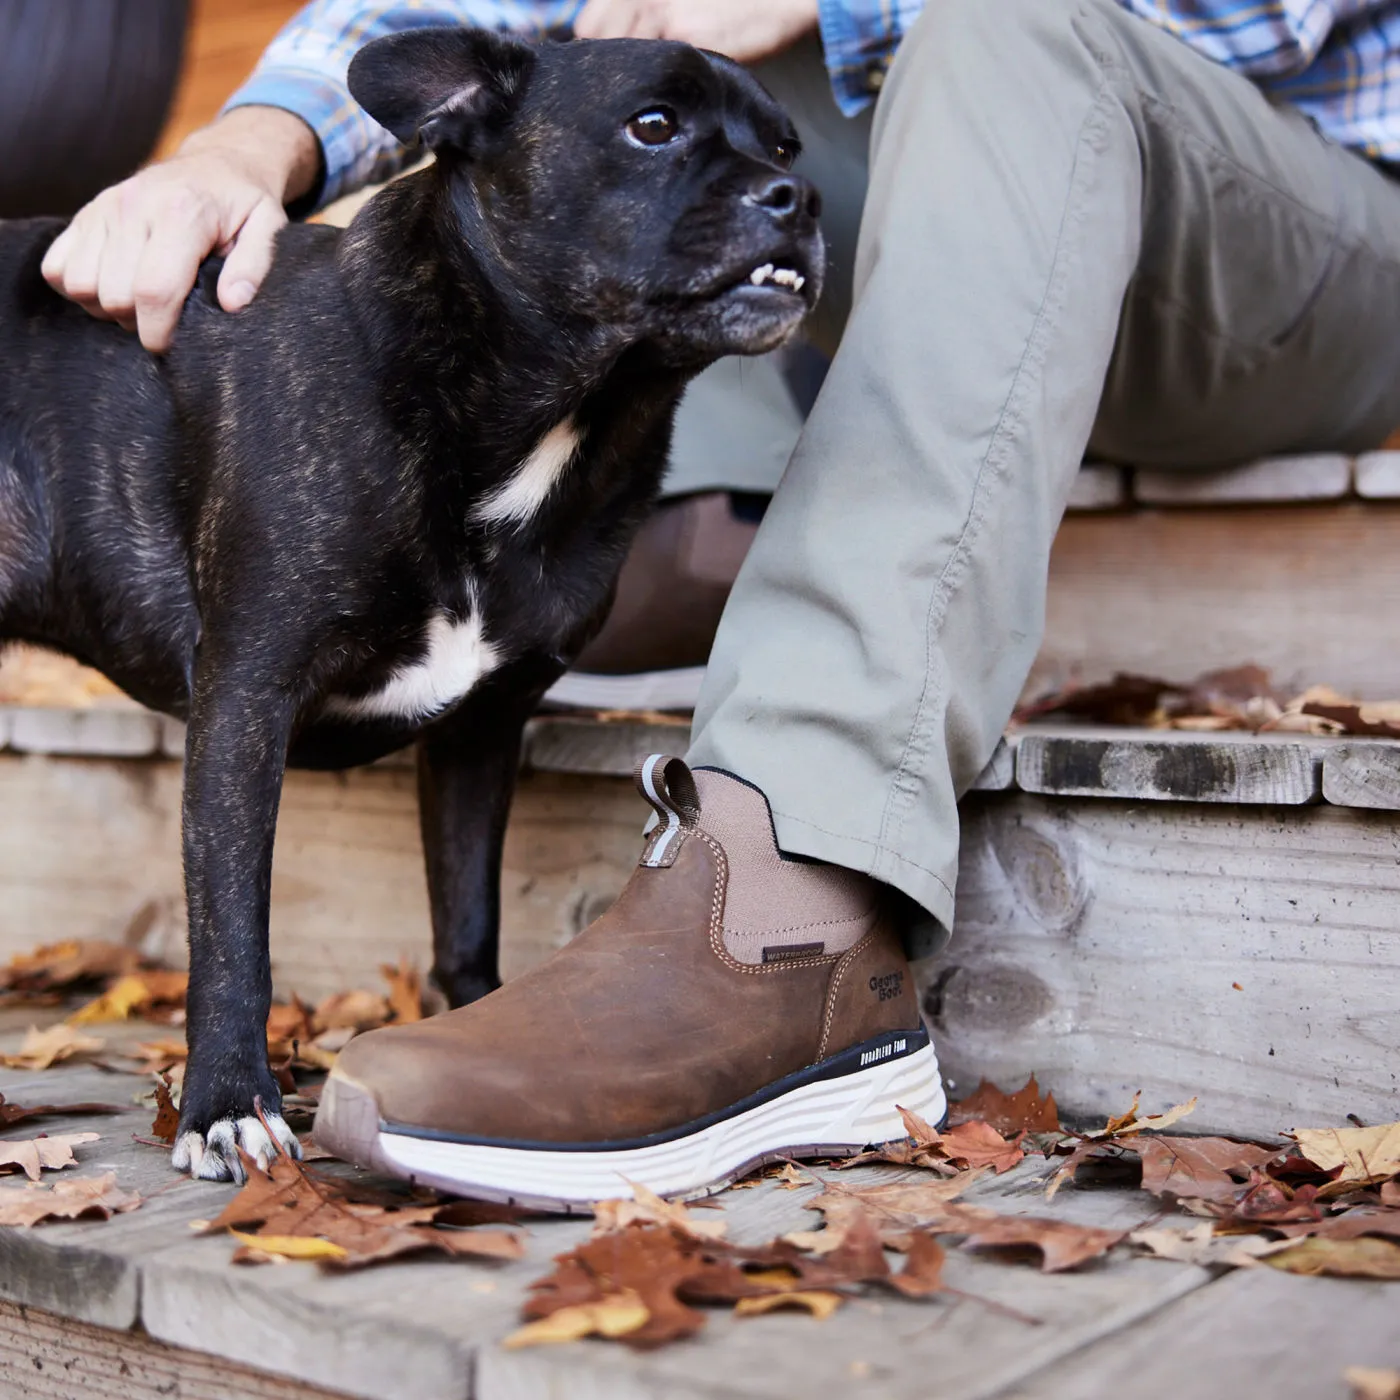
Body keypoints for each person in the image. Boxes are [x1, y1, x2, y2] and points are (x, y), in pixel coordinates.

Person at [45, 0, 1400, 1203]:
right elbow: (492, 40)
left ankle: (790, 892)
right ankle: (687, 554)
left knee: (999, 22)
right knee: (693, 121)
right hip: (949, 192)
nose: (769, 194)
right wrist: (249, 144)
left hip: (1296, 222)